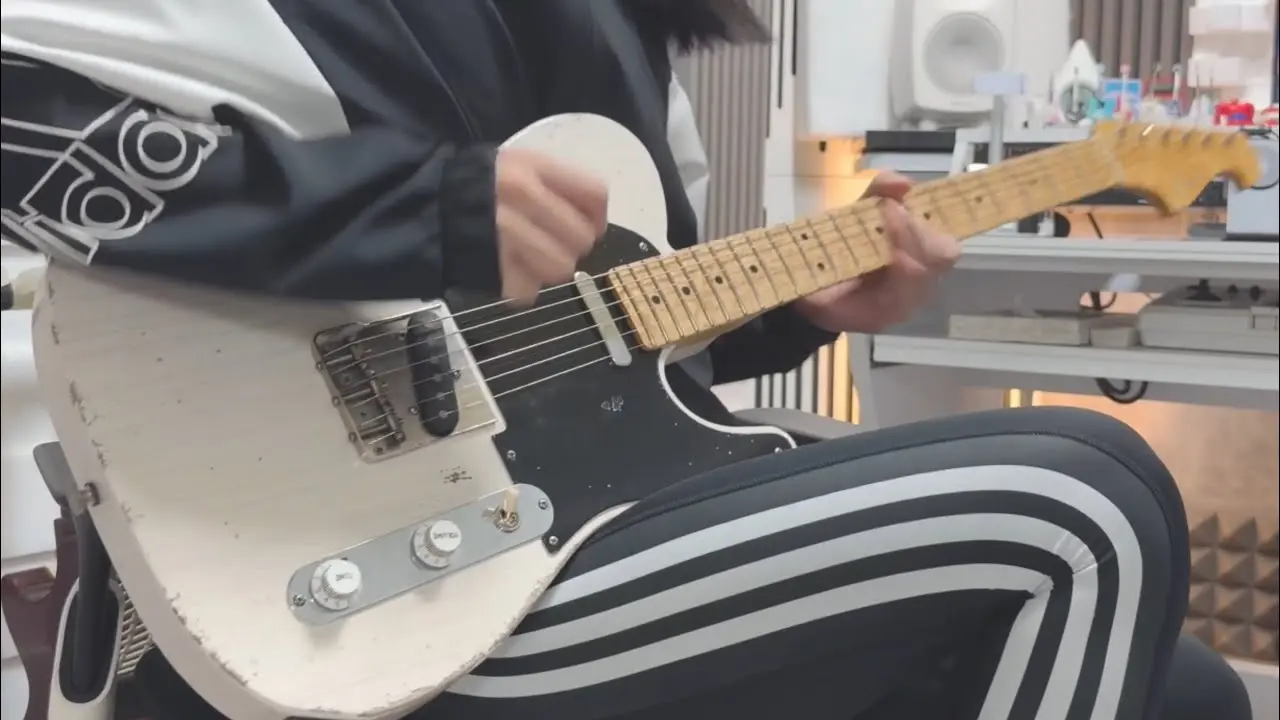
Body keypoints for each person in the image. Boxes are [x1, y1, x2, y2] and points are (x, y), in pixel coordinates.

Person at [0, 2, 1253, 719]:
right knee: (1077, 505)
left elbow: (611, 327)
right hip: (344, 579)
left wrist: (798, 309)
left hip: (565, 522)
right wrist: (413, 212)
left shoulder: (619, 21)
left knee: (1187, 694)